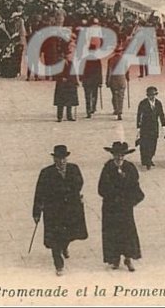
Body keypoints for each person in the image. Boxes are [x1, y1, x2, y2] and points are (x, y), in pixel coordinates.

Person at [32, 145, 88, 276]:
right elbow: (39, 193)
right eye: (58, 159)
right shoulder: (46, 173)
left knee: (69, 234)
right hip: (53, 211)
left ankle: (64, 246)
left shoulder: (74, 169)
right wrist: (36, 212)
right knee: (55, 237)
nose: (62, 161)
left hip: (70, 208)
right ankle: (58, 263)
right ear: (54, 159)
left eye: (64, 159)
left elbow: (80, 183)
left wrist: (74, 194)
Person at [98, 141, 143, 272]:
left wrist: (129, 199)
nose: (119, 158)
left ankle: (128, 258)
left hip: (125, 207)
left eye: (121, 156)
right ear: (113, 156)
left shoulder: (130, 168)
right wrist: (114, 194)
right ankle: (114, 259)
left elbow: (135, 186)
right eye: (116, 156)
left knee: (127, 232)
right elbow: (101, 188)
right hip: (110, 207)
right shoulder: (107, 168)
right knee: (112, 232)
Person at [136, 86, 165, 170]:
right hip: (145, 127)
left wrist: (164, 126)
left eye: (153, 95)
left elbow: (161, 115)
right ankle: (146, 160)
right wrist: (138, 127)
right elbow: (139, 115)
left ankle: (149, 158)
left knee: (153, 144)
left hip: (154, 127)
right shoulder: (143, 103)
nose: (152, 96)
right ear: (147, 95)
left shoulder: (158, 103)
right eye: (150, 95)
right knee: (145, 144)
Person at [53, 56, 79, 122]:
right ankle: (59, 117)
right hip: (61, 85)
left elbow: (74, 73)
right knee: (60, 102)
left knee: (69, 101)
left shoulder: (71, 63)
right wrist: (61, 78)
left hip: (70, 85)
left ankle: (69, 116)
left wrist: (76, 82)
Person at [106, 46, 129, 121]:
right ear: (121, 51)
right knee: (121, 96)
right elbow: (126, 70)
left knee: (114, 95)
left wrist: (107, 81)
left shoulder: (111, 60)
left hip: (113, 79)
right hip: (122, 78)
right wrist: (127, 77)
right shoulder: (125, 60)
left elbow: (109, 71)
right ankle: (120, 111)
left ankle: (116, 109)